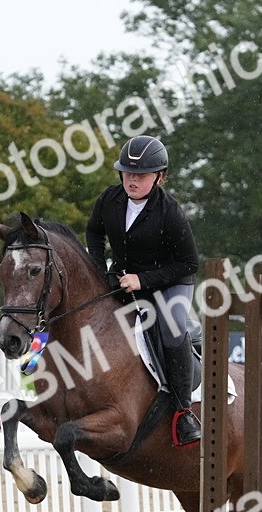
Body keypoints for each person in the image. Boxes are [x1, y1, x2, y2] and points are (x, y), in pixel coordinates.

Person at [86, 135, 201, 448]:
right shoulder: (109, 200)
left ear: (159, 177)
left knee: (172, 331)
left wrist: (143, 280)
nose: (132, 180)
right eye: (127, 173)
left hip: (171, 283)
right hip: (125, 277)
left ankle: (183, 411)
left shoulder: (170, 212)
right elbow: (94, 232)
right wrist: (99, 270)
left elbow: (189, 263)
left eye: (140, 175)